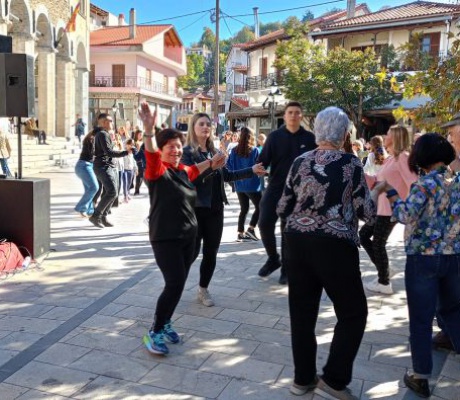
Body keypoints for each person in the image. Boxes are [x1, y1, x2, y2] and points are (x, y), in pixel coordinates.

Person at [277, 107, 375, 399]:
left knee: (302, 313)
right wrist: (377, 193)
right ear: (344, 133)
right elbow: (367, 213)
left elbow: (282, 205)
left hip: (296, 243)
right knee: (353, 312)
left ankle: (302, 379)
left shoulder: (299, 162)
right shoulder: (352, 164)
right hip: (334, 246)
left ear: (317, 130)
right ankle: (333, 380)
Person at [373, 133, 460, 398]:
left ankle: (420, 375)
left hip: (423, 257)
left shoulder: (425, 184)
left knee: (421, 319)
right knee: (454, 310)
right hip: (453, 255)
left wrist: (389, 192)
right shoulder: (456, 182)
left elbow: (405, 215)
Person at [138, 102, 226, 355]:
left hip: (188, 238)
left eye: (178, 146)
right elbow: (151, 154)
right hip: (165, 238)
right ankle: (154, 331)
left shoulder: (182, 172)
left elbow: (195, 169)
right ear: (162, 150)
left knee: (178, 284)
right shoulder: (158, 172)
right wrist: (148, 129)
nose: (176, 150)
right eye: (171, 147)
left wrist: (212, 162)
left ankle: (165, 323)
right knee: (174, 283)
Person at [182, 113, 265, 307]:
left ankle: (203, 289)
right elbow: (188, 178)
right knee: (191, 253)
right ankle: (175, 284)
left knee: (211, 252)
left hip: (215, 209)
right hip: (195, 210)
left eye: (208, 124)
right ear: (193, 127)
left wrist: (251, 170)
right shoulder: (188, 152)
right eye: (201, 124)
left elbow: (227, 176)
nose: (205, 127)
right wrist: (211, 165)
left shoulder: (213, 151)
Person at [257, 101, 317, 285]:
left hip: (299, 193)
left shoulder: (309, 138)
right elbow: (263, 161)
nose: (293, 115)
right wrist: (257, 169)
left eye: (297, 112)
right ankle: (273, 258)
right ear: (284, 116)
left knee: (287, 231)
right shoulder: (274, 137)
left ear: (301, 115)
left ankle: (286, 269)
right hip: (275, 187)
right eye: (290, 112)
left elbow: (316, 165)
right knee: (264, 222)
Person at [359, 126, 417, 294]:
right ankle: (384, 271)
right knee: (364, 237)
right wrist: (361, 174)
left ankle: (384, 282)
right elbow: (378, 181)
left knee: (378, 243)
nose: (385, 135)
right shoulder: (391, 159)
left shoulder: (404, 158)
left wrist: (405, 205)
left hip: (391, 210)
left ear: (397, 137)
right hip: (380, 208)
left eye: (389, 134)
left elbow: (414, 183)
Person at [89, 113, 130, 228]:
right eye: (110, 121)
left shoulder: (105, 134)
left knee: (112, 192)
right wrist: (126, 152)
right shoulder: (102, 134)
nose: (112, 122)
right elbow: (109, 152)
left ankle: (103, 216)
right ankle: (95, 215)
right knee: (112, 191)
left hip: (107, 166)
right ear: (103, 122)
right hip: (102, 166)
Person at [226, 127, 262, 242]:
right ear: (251, 137)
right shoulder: (255, 150)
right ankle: (251, 229)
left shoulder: (234, 151)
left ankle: (240, 233)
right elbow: (259, 166)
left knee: (244, 208)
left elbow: (229, 167)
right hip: (252, 185)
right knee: (261, 206)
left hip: (239, 185)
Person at [74, 130, 99, 217]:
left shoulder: (92, 139)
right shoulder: (91, 139)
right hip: (84, 166)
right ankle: (81, 207)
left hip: (86, 166)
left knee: (89, 190)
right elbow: (93, 154)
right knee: (94, 187)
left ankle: (89, 210)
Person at [133, 129, 146, 195]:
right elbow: (136, 156)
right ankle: (136, 190)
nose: (141, 136)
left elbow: (137, 156)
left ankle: (137, 189)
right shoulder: (134, 142)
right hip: (138, 162)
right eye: (139, 134)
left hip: (143, 163)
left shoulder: (143, 144)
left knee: (142, 177)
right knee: (139, 176)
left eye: (142, 134)